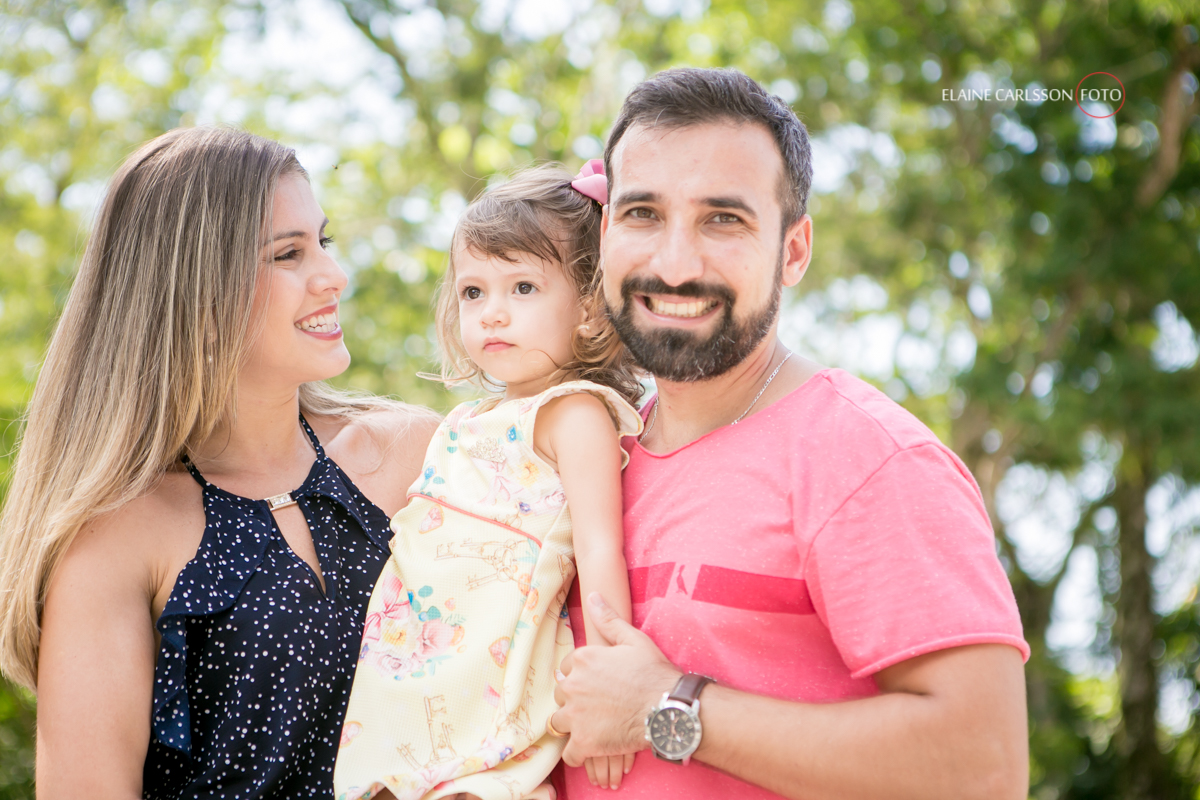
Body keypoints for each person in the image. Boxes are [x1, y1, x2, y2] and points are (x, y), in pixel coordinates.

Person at [549, 68, 1031, 800]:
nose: (674, 265)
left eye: (723, 220)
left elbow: (984, 767)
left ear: (795, 251)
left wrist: (667, 708)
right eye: (643, 213)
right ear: (607, 231)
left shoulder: (865, 458)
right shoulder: (587, 451)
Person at [0, 127, 441, 798]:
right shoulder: (114, 540)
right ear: (196, 291)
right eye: (288, 254)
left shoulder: (419, 455)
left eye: (323, 241)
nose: (333, 275)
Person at [333, 164, 642, 800]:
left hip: (491, 669)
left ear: (589, 306)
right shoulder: (463, 420)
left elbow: (600, 551)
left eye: (523, 287)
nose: (492, 314)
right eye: (473, 292)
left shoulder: (573, 413)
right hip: (411, 670)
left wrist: (614, 682)